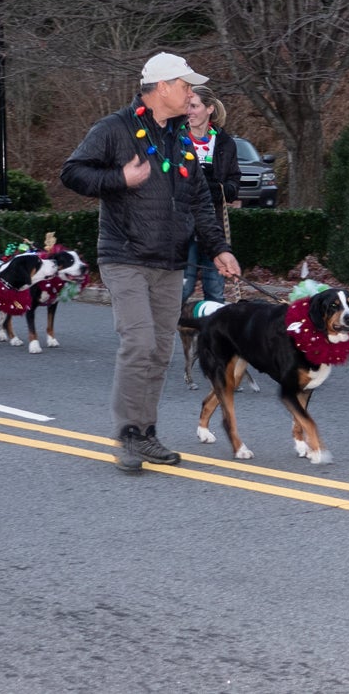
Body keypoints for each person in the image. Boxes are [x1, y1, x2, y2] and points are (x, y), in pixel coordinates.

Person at [62, 52, 240, 472]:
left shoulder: (181, 138)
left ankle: (146, 433)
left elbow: (199, 199)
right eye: (185, 86)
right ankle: (127, 434)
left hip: (171, 259)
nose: (190, 94)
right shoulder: (114, 129)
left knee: (160, 350)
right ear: (162, 87)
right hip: (125, 256)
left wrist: (218, 249)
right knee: (139, 343)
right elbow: (72, 172)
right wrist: (118, 179)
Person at [182, 86, 240, 303]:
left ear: (209, 109)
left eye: (194, 106)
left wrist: (220, 189)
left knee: (215, 292)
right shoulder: (176, 141)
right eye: (186, 106)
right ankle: (160, 335)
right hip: (183, 227)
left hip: (213, 227)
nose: (189, 111)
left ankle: (212, 337)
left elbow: (235, 182)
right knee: (182, 290)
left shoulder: (225, 143)